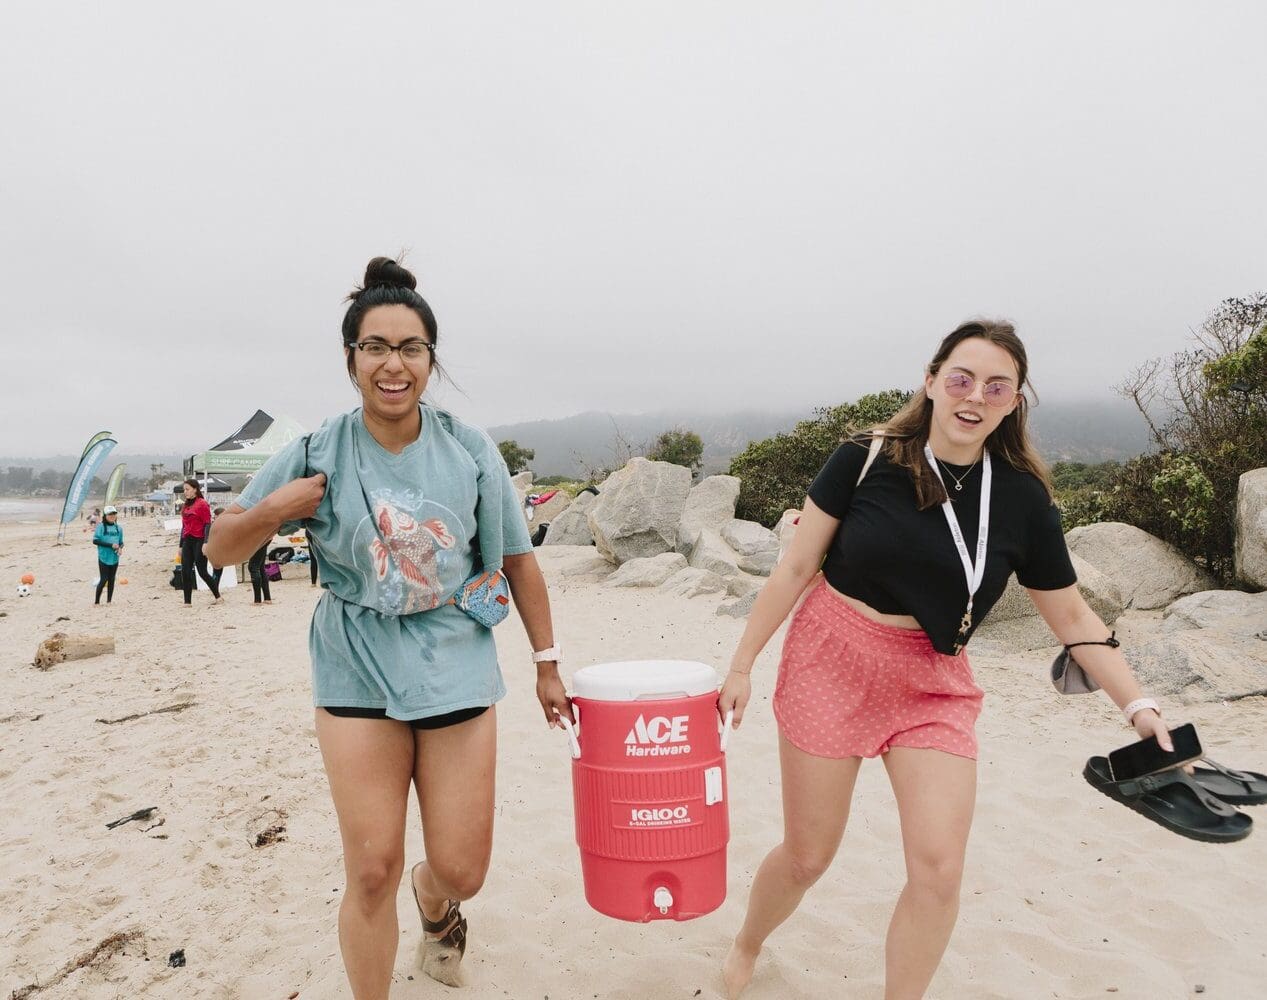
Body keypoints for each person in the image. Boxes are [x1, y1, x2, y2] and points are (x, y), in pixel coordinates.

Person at [718, 320, 1171, 1000]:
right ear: (930, 381)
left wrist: (1138, 707)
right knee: (809, 856)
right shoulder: (865, 457)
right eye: (960, 378)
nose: (974, 396)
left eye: (997, 386)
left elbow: (1073, 617)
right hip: (831, 656)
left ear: (1014, 401)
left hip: (930, 678)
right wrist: (742, 664)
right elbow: (796, 566)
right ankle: (748, 944)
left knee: (937, 870)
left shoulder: (1021, 498)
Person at [205, 256, 572, 999]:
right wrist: (279, 510)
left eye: (410, 347)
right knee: (367, 868)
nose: (393, 364)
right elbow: (220, 547)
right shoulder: (312, 451)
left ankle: (434, 901)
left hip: (452, 654)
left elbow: (517, 562)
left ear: (430, 360)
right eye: (375, 346)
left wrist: (546, 663)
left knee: (463, 867)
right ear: (350, 360)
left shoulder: (468, 449)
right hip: (353, 659)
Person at [179, 479, 222, 606]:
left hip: (199, 540)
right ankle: (187, 602)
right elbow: (183, 527)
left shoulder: (202, 504)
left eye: (187, 489)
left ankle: (218, 596)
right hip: (187, 540)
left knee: (202, 571)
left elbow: (207, 524)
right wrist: (180, 545)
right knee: (185, 571)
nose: (185, 492)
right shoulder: (185, 506)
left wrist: (206, 542)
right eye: (184, 490)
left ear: (195, 489)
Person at [92, 505, 124, 605]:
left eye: (114, 514)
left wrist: (120, 548)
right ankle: (97, 602)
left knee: (112, 579)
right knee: (104, 579)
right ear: (105, 515)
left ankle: (109, 601)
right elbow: (95, 541)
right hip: (104, 557)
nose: (112, 516)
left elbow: (121, 542)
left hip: (114, 557)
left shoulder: (119, 528)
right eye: (110, 514)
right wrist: (111, 545)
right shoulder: (100, 527)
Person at [247, 541, 272, 605]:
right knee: (260, 568)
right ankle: (267, 598)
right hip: (265, 539)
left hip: (258, 539)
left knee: (253, 567)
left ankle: (257, 601)